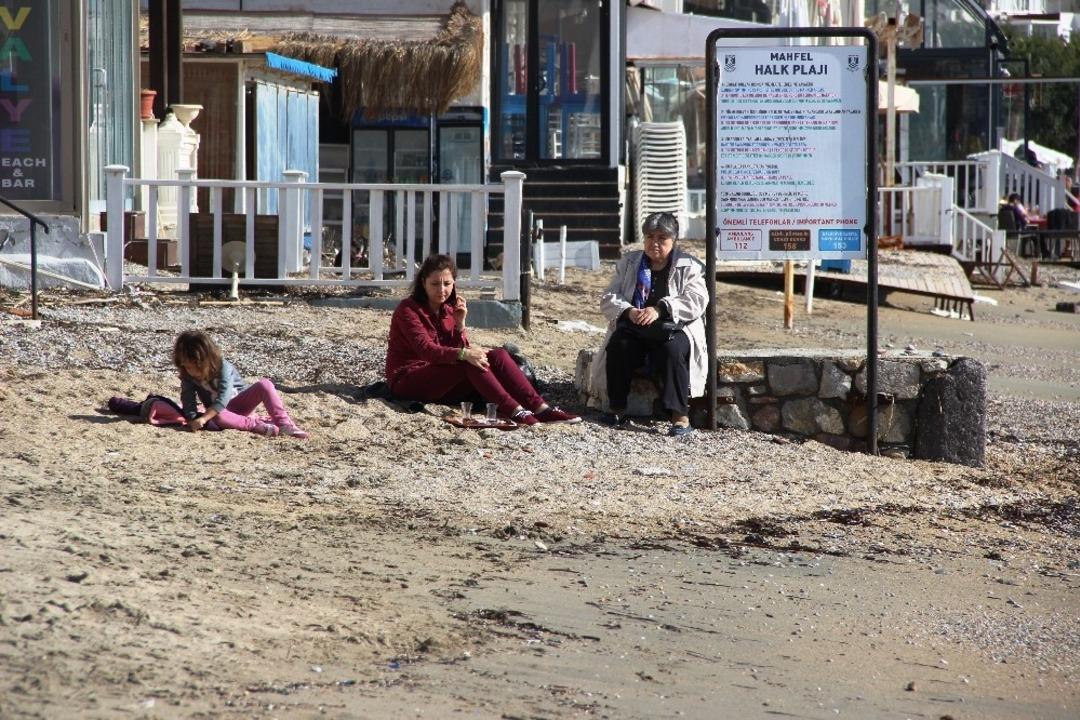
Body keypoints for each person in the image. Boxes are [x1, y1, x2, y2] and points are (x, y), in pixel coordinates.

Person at [385, 254, 580, 425]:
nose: (442, 290)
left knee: (497, 354)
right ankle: (513, 410)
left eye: (447, 284)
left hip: (441, 378)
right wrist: (464, 353)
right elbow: (427, 350)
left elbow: (457, 348)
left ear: (454, 284)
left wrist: (460, 325)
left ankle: (540, 408)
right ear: (423, 283)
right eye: (435, 284)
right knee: (467, 360)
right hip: (408, 379)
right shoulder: (408, 309)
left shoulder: (448, 309)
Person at [591, 212, 708, 437]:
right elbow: (608, 297)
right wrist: (629, 311)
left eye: (662, 238)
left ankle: (680, 416)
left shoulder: (689, 265)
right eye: (649, 237)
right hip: (636, 326)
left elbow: (697, 300)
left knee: (672, 351)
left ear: (673, 240)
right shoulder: (629, 263)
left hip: (674, 327)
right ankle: (616, 407)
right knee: (619, 344)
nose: (654, 243)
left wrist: (660, 309)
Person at [173, 329, 308, 438]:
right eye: (187, 367)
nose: (191, 371)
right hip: (220, 416)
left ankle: (284, 424)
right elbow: (187, 398)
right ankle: (255, 426)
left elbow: (223, 398)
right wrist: (192, 419)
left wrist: (204, 419)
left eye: (195, 366)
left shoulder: (223, 367)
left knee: (265, 384)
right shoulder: (188, 375)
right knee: (218, 415)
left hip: (236, 405)